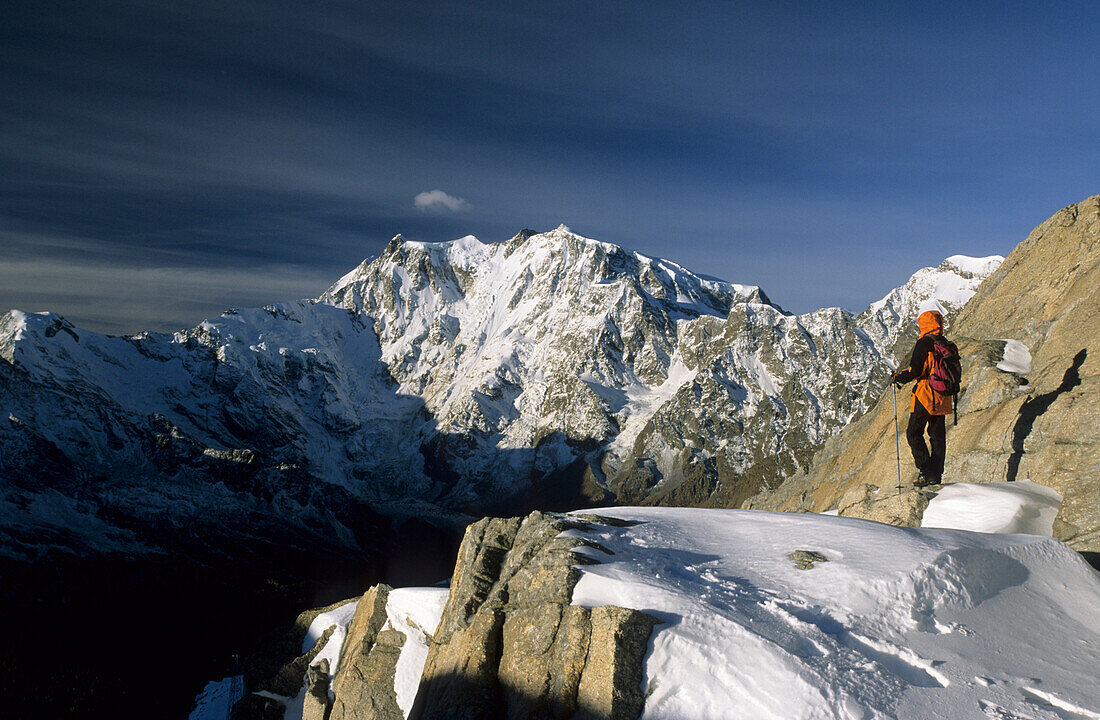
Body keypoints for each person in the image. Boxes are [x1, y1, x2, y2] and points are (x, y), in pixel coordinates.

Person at [891, 310, 955, 486]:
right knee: (937, 436)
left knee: (913, 433)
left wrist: (898, 378)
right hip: (943, 396)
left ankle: (926, 471)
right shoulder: (945, 343)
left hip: (926, 394)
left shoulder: (924, 343)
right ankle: (936, 474)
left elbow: (915, 371)